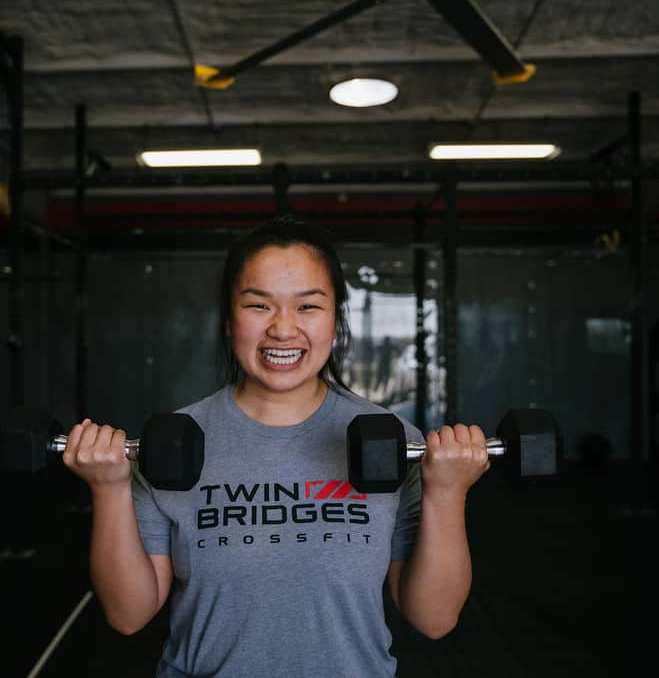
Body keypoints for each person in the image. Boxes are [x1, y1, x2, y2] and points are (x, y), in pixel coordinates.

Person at [62, 216, 491, 677]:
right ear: (229, 320)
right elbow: (129, 616)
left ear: (335, 318)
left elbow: (434, 619)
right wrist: (109, 491)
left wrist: (448, 494)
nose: (283, 329)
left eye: (308, 307)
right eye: (258, 306)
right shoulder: (173, 443)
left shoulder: (390, 441)